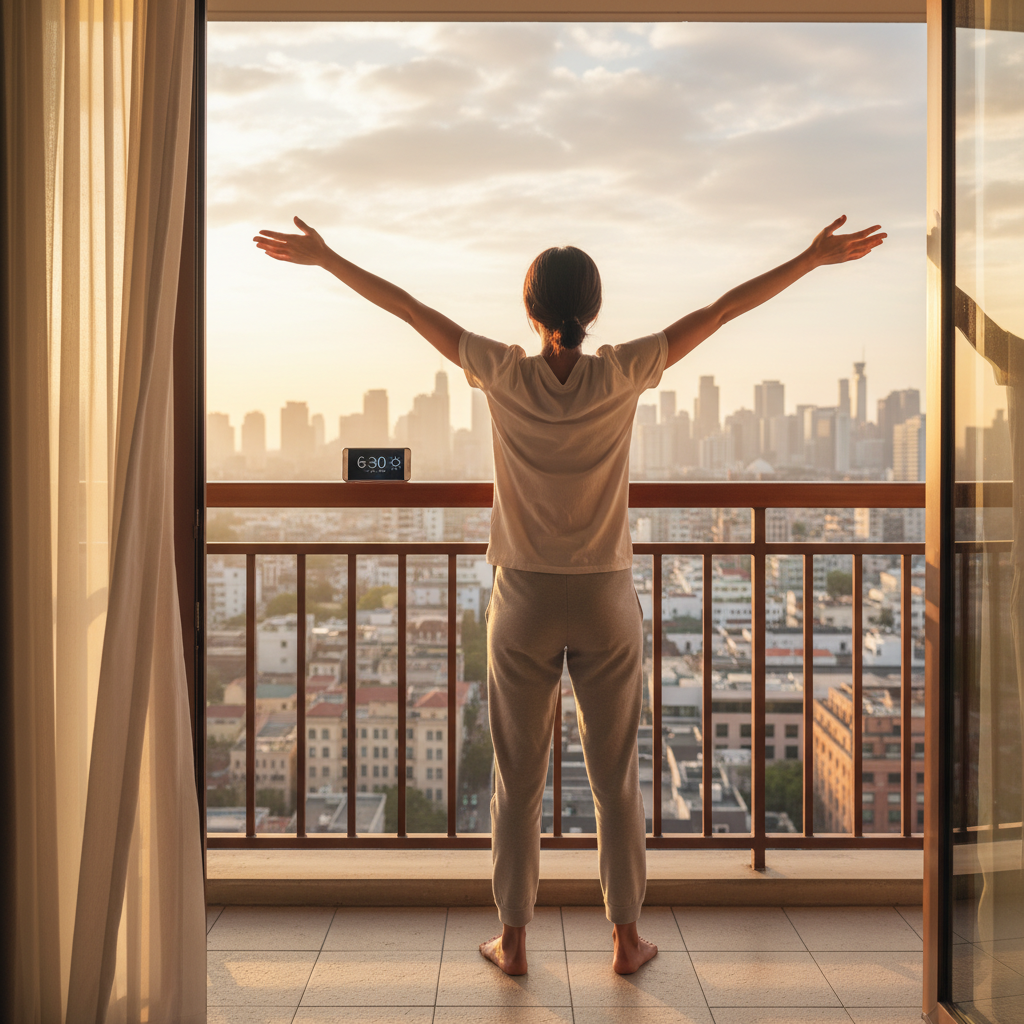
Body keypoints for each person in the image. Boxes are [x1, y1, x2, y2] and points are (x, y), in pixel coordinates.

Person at [253, 213, 886, 975]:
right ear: (592, 310)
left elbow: (411, 309)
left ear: (530, 310)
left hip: (521, 593)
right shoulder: (622, 370)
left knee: (517, 776)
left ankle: (513, 941)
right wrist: (810, 258)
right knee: (614, 775)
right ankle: (625, 940)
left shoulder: (503, 370)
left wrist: (328, 258)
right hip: (605, 596)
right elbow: (721, 311)